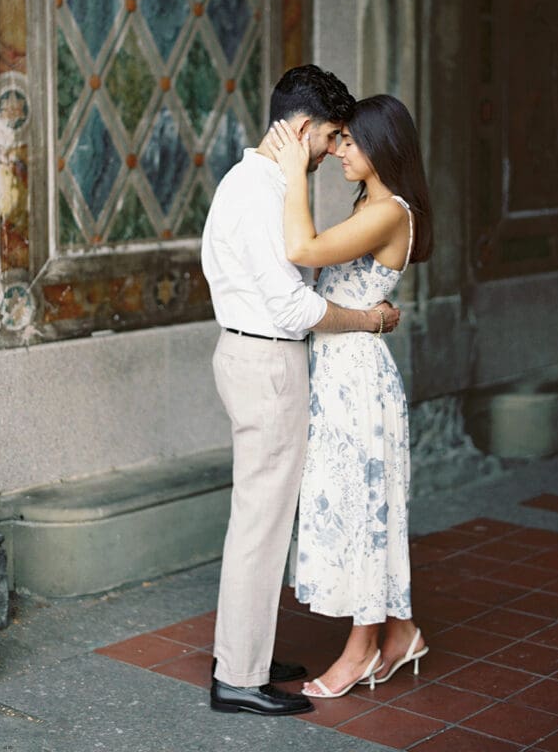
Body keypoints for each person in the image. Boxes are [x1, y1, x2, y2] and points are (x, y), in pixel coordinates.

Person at [201, 65, 402, 717]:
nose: (329, 152)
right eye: (329, 138)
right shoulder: (263, 190)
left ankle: (247, 652)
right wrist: (368, 319)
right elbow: (293, 310)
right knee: (260, 525)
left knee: (259, 519)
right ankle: (238, 674)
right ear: (303, 128)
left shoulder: (252, 182)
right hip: (266, 362)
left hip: (252, 357)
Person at [266, 93, 434, 698]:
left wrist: (290, 176)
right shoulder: (372, 202)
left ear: (382, 147)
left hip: (358, 381)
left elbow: (303, 251)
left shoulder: (391, 209)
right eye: (338, 139)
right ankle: (401, 632)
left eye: (350, 141)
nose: (338, 149)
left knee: (365, 512)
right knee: (360, 505)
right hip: (340, 374)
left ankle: (361, 650)